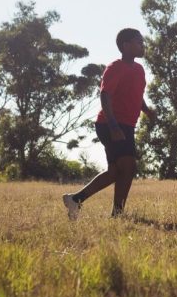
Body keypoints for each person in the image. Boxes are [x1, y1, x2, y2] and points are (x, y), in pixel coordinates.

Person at [63, 28, 154, 219]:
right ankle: (117, 214)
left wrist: (147, 111)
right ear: (126, 46)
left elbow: (138, 95)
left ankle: (76, 200)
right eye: (139, 42)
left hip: (126, 125)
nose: (142, 45)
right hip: (111, 124)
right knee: (128, 166)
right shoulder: (115, 67)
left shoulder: (139, 70)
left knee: (116, 171)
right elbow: (105, 96)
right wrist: (113, 126)